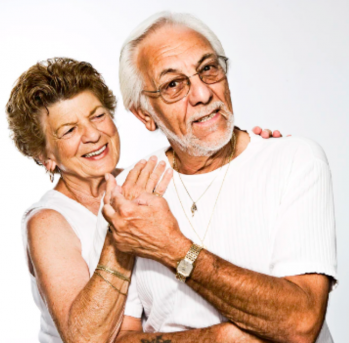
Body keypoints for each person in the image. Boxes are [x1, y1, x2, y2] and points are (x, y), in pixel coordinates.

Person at [99, 12, 337, 343]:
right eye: (173, 85)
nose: (202, 94)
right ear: (145, 114)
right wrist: (223, 338)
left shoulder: (295, 160)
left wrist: (172, 248)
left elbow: (301, 323)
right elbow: (118, 338)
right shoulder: (130, 192)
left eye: (208, 69)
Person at [6, 57, 277, 343]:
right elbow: (84, 339)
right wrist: (121, 234)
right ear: (45, 156)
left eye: (97, 115)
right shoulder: (48, 222)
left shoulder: (145, 178)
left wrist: (253, 155)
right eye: (70, 130)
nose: (93, 134)